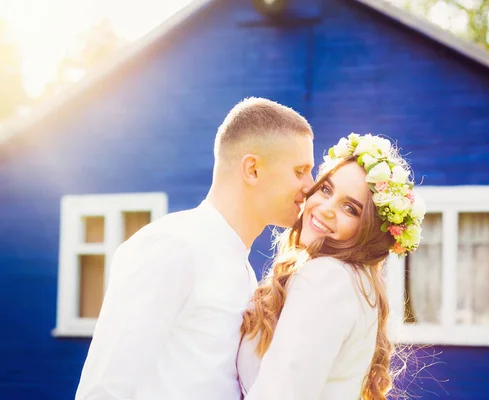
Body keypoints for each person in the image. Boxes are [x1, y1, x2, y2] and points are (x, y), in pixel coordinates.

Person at [74, 97, 315, 400]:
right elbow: (104, 388)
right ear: (252, 169)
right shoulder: (172, 246)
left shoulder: (243, 268)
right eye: (300, 170)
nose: (311, 185)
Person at [237, 133, 426, 400]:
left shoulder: (328, 278)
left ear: (370, 230)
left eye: (350, 208)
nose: (325, 208)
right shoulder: (358, 282)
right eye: (326, 189)